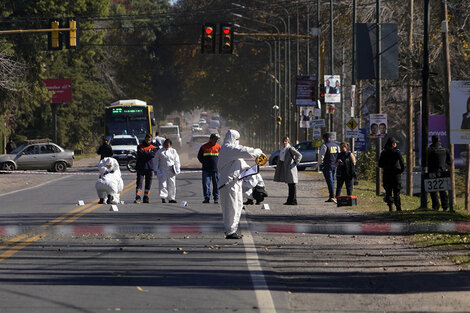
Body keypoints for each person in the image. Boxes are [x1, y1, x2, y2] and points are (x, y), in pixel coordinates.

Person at [218, 129, 263, 239]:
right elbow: (246, 151)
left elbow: (245, 167)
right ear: (233, 139)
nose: (238, 141)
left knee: (238, 206)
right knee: (231, 207)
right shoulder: (228, 149)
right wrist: (258, 152)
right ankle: (229, 231)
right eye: (237, 139)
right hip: (228, 183)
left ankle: (233, 229)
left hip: (236, 183)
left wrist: (254, 170)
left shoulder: (235, 156)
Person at [378, 137, 405, 212]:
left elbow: (380, 164)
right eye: (395, 143)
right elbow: (402, 162)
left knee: (388, 192)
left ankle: (390, 207)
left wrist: (386, 166)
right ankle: (398, 208)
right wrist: (401, 170)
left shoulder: (384, 152)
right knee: (396, 192)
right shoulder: (397, 152)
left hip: (387, 174)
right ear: (393, 144)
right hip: (396, 174)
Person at [273, 137, 302, 205]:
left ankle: (293, 200)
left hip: (291, 169)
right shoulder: (282, 148)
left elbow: (299, 155)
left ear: (288, 142)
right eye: (283, 141)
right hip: (286, 168)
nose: (284, 142)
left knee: (292, 185)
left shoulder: (290, 149)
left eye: (286, 141)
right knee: (290, 185)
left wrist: (295, 163)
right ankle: (290, 200)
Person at [427, 135, 451, 211]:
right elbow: (449, 162)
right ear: (439, 140)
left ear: (432, 140)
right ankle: (445, 206)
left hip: (432, 172)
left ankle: (435, 206)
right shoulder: (445, 150)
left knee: (433, 191)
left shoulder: (429, 150)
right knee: (443, 190)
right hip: (442, 172)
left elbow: (426, 161)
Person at [154, 138, 181, 203]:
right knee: (163, 184)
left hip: (171, 169)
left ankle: (171, 198)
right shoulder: (160, 151)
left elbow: (176, 161)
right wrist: (156, 169)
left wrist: (177, 169)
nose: (167, 145)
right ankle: (163, 197)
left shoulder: (173, 151)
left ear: (170, 145)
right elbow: (156, 161)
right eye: (165, 144)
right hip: (162, 169)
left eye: (168, 144)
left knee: (172, 184)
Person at [197, 133, 221, 204]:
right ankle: (206, 197)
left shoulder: (219, 147)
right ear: (211, 139)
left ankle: (216, 197)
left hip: (216, 169)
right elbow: (199, 157)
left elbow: (222, 157)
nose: (216, 141)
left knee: (216, 184)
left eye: (217, 139)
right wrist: (204, 163)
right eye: (215, 139)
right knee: (206, 184)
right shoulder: (204, 147)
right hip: (206, 169)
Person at [134, 134, 158, 203]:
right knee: (139, 182)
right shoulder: (139, 146)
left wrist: (144, 152)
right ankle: (138, 196)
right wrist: (148, 153)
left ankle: (146, 197)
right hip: (140, 167)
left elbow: (152, 155)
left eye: (149, 140)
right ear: (145, 139)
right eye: (147, 139)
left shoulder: (153, 147)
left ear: (151, 140)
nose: (148, 141)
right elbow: (140, 153)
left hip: (149, 167)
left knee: (148, 183)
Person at [319, 133, 339, 203]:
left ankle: (332, 196)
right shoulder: (336, 145)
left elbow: (321, 156)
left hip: (327, 165)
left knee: (330, 181)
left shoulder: (325, 145)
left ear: (325, 138)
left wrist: (319, 164)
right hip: (334, 165)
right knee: (333, 181)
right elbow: (338, 155)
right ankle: (332, 195)